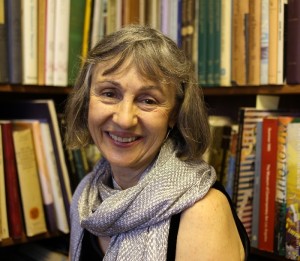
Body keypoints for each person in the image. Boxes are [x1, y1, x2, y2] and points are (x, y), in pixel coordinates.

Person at [64, 25, 249, 261]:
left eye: (148, 100)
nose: (124, 119)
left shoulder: (202, 212)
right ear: (87, 99)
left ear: (174, 114)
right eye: (110, 93)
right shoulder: (87, 197)